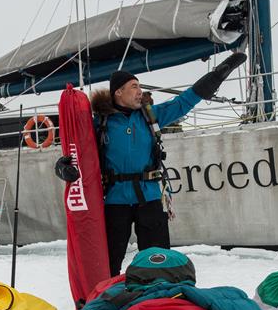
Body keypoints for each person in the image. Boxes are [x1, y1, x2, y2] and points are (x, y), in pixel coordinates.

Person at [55, 52, 247, 276]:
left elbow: (184, 101)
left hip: (150, 198)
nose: (140, 91)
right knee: (109, 260)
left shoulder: (150, 116)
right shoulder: (100, 123)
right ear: (118, 92)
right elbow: (77, 151)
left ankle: (158, 299)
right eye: (134, 86)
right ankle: (108, 300)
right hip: (114, 201)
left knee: (158, 259)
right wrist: (61, 167)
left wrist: (217, 76)